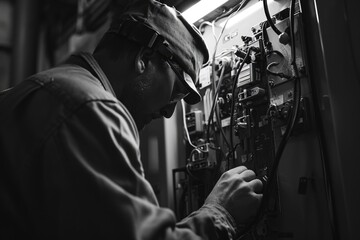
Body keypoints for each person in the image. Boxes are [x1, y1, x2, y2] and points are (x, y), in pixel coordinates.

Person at [0, 0, 263, 239]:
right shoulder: (91, 107)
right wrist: (220, 213)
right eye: (175, 93)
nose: (169, 112)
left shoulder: (34, 93)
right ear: (144, 59)